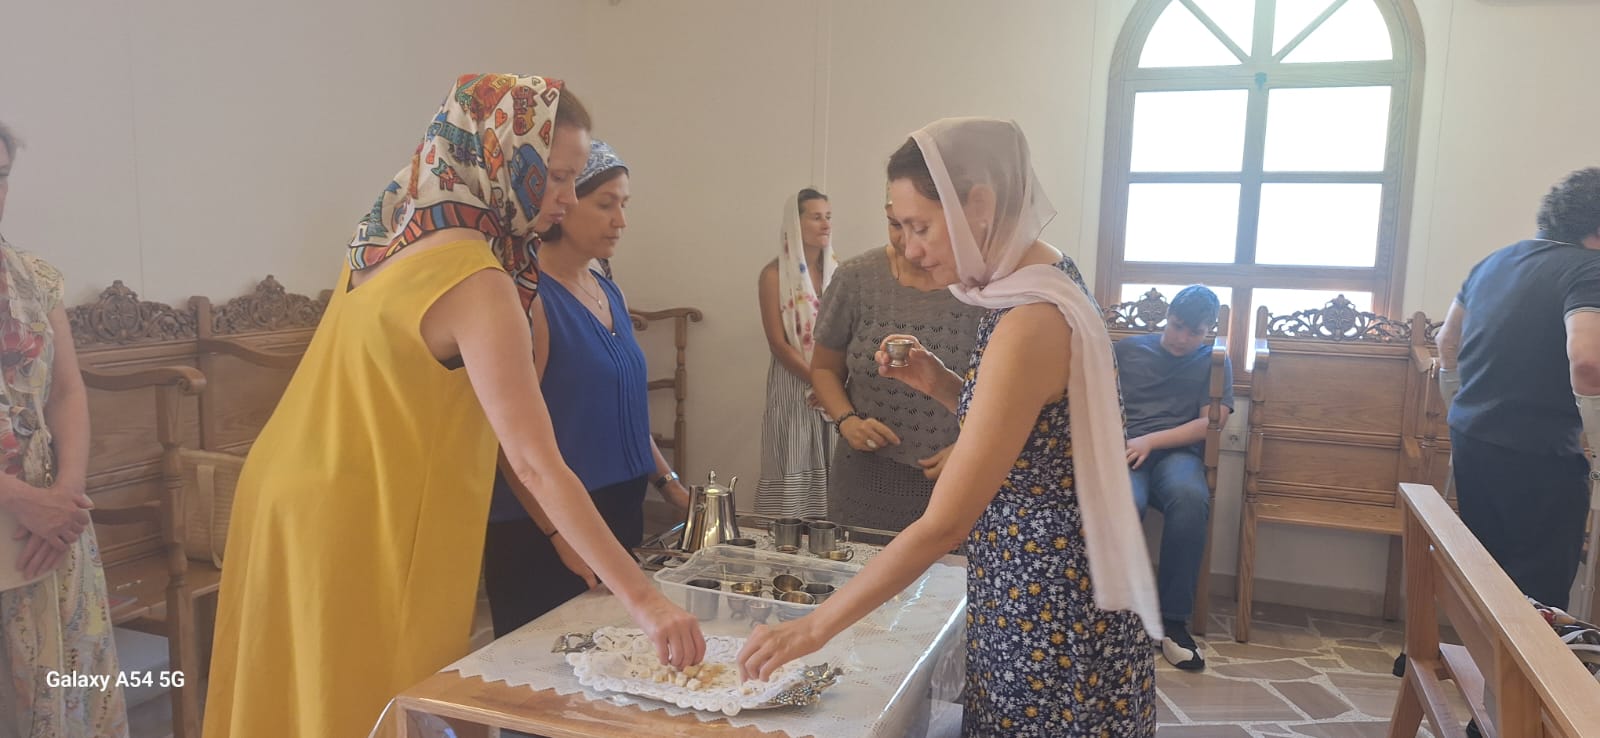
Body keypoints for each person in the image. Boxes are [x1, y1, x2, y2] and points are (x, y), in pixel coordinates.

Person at [202, 75, 704, 738]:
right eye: (555, 176)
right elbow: (535, 459)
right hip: (364, 512)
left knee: (299, 697)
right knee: (369, 702)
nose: (564, 198)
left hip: (289, 493)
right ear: (498, 161)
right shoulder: (478, 280)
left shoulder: (386, 239)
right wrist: (646, 600)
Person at [738, 118, 1160, 738]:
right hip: (1038, 578)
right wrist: (941, 385)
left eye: (921, 226)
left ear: (979, 206)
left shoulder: (1029, 318)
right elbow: (1037, 435)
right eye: (900, 226)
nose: (909, 249)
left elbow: (944, 524)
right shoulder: (1039, 278)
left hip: (1045, 601)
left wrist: (813, 626)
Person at [482, 139, 693, 637]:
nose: (621, 221)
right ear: (563, 205)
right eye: (605, 204)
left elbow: (625, 409)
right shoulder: (528, 299)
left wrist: (670, 486)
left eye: (624, 205)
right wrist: (560, 535)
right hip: (545, 527)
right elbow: (506, 443)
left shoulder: (607, 289)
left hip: (618, 510)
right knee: (547, 666)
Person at [0, 122, 128, 737]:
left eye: (0, 176)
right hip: (22, 510)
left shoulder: (35, 277)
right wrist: (23, 500)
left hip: (49, 523)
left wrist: (66, 499)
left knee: (61, 695)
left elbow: (68, 392)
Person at [1437, 167, 1600, 612]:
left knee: (1486, 572)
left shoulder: (1495, 261)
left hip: (1472, 441)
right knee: (1538, 593)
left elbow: (1447, 343)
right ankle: (1523, 660)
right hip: (1540, 455)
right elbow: (1588, 363)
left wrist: (1462, 411)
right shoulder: (1590, 270)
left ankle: (1483, 654)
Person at [811, 189, 983, 537]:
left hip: (957, 481)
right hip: (864, 480)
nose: (907, 242)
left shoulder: (982, 288)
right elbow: (824, 368)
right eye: (895, 225)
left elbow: (1009, 396)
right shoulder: (856, 278)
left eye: (920, 228)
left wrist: (971, 447)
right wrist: (847, 421)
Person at [1115, 284, 1233, 671]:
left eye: (1194, 332)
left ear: (1208, 329)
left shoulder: (1214, 360)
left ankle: (1173, 623)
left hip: (1177, 454)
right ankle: (1117, 614)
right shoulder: (1128, 350)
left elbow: (1210, 422)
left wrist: (1151, 440)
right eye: (1178, 326)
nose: (1182, 338)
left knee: (1190, 500)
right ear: (1167, 316)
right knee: (1123, 502)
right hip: (1125, 450)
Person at [755, 189, 837, 518]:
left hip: (834, 382)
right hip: (794, 381)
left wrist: (833, 383)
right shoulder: (773, 275)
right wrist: (818, 380)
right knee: (794, 452)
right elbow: (778, 343)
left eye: (828, 216)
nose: (825, 224)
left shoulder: (838, 272)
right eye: (816, 217)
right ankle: (788, 531)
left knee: (833, 458)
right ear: (795, 223)